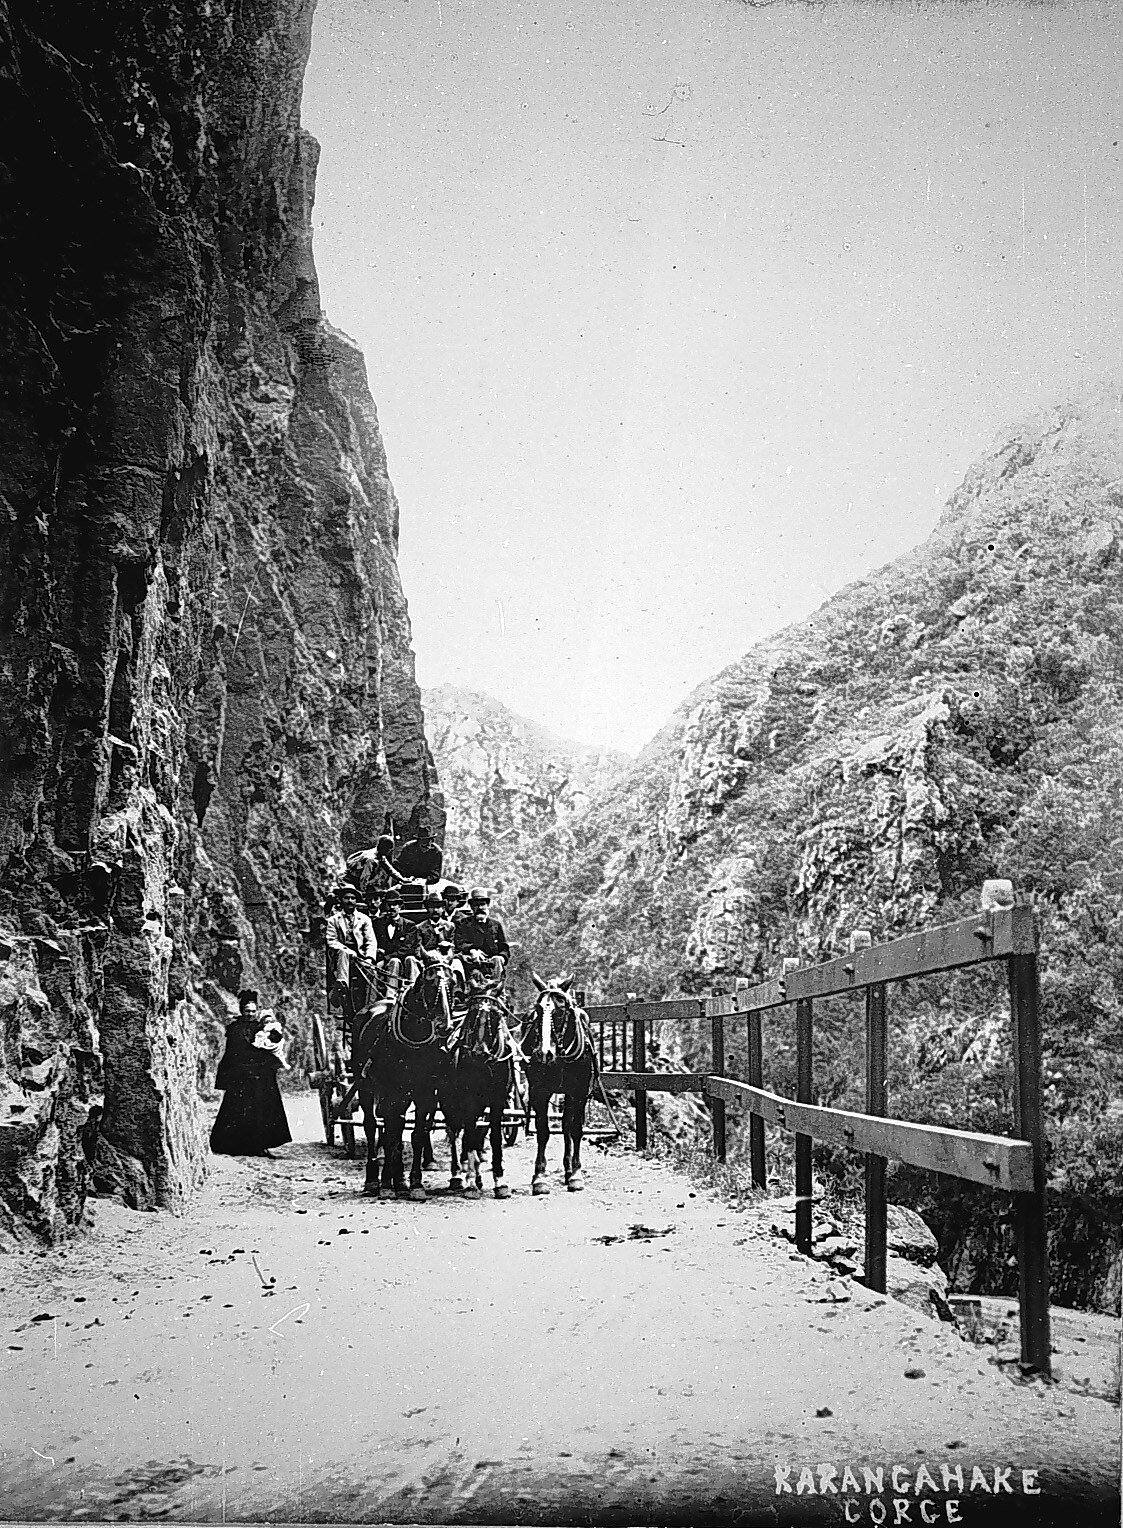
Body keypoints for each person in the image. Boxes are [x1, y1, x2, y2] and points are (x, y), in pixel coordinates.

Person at [210, 989, 292, 1157]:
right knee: (239, 1110)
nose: (250, 1014)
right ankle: (236, 1145)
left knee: (262, 1111)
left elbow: (273, 1045)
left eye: (253, 1011)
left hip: (261, 1075)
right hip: (242, 1075)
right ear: (242, 1010)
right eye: (247, 1011)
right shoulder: (234, 1029)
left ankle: (261, 1145)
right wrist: (227, 1075)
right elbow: (231, 1053)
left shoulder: (263, 1027)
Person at [326, 884, 379, 1035]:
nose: (350, 901)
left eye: (353, 898)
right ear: (341, 900)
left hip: (360, 958)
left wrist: (369, 958)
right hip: (340, 959)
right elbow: (331, 941)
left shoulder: (364, 919)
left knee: (372, 972)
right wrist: (348, 951)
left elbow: (371, 941)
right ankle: (342, 984)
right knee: (343, 953)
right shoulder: (333, 920)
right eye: (346, 898)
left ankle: (370, 1007)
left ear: (356, 901)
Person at [454, 887, 511, 984]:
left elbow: (504, 948)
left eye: (482, 904)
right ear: (471, 907)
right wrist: (472, 950)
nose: (480, 908)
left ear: (487, 905)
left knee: (497, 984)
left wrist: (501, 957)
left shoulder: (496, 925)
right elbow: (459, 944)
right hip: (472, 966)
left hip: (493, 967)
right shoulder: (463, 924)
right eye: (476, 905)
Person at [373, 887, 423, 992]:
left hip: (404, 962)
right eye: (389, 904)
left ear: (400, 906)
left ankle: (413, 992)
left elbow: (407, 948)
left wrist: (386, 958)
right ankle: (390, 995)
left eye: (395, 904)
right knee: (392, 962)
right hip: (386, 964)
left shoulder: (409, 925)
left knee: (403, 960)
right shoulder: (378, 924)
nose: (391, 907)